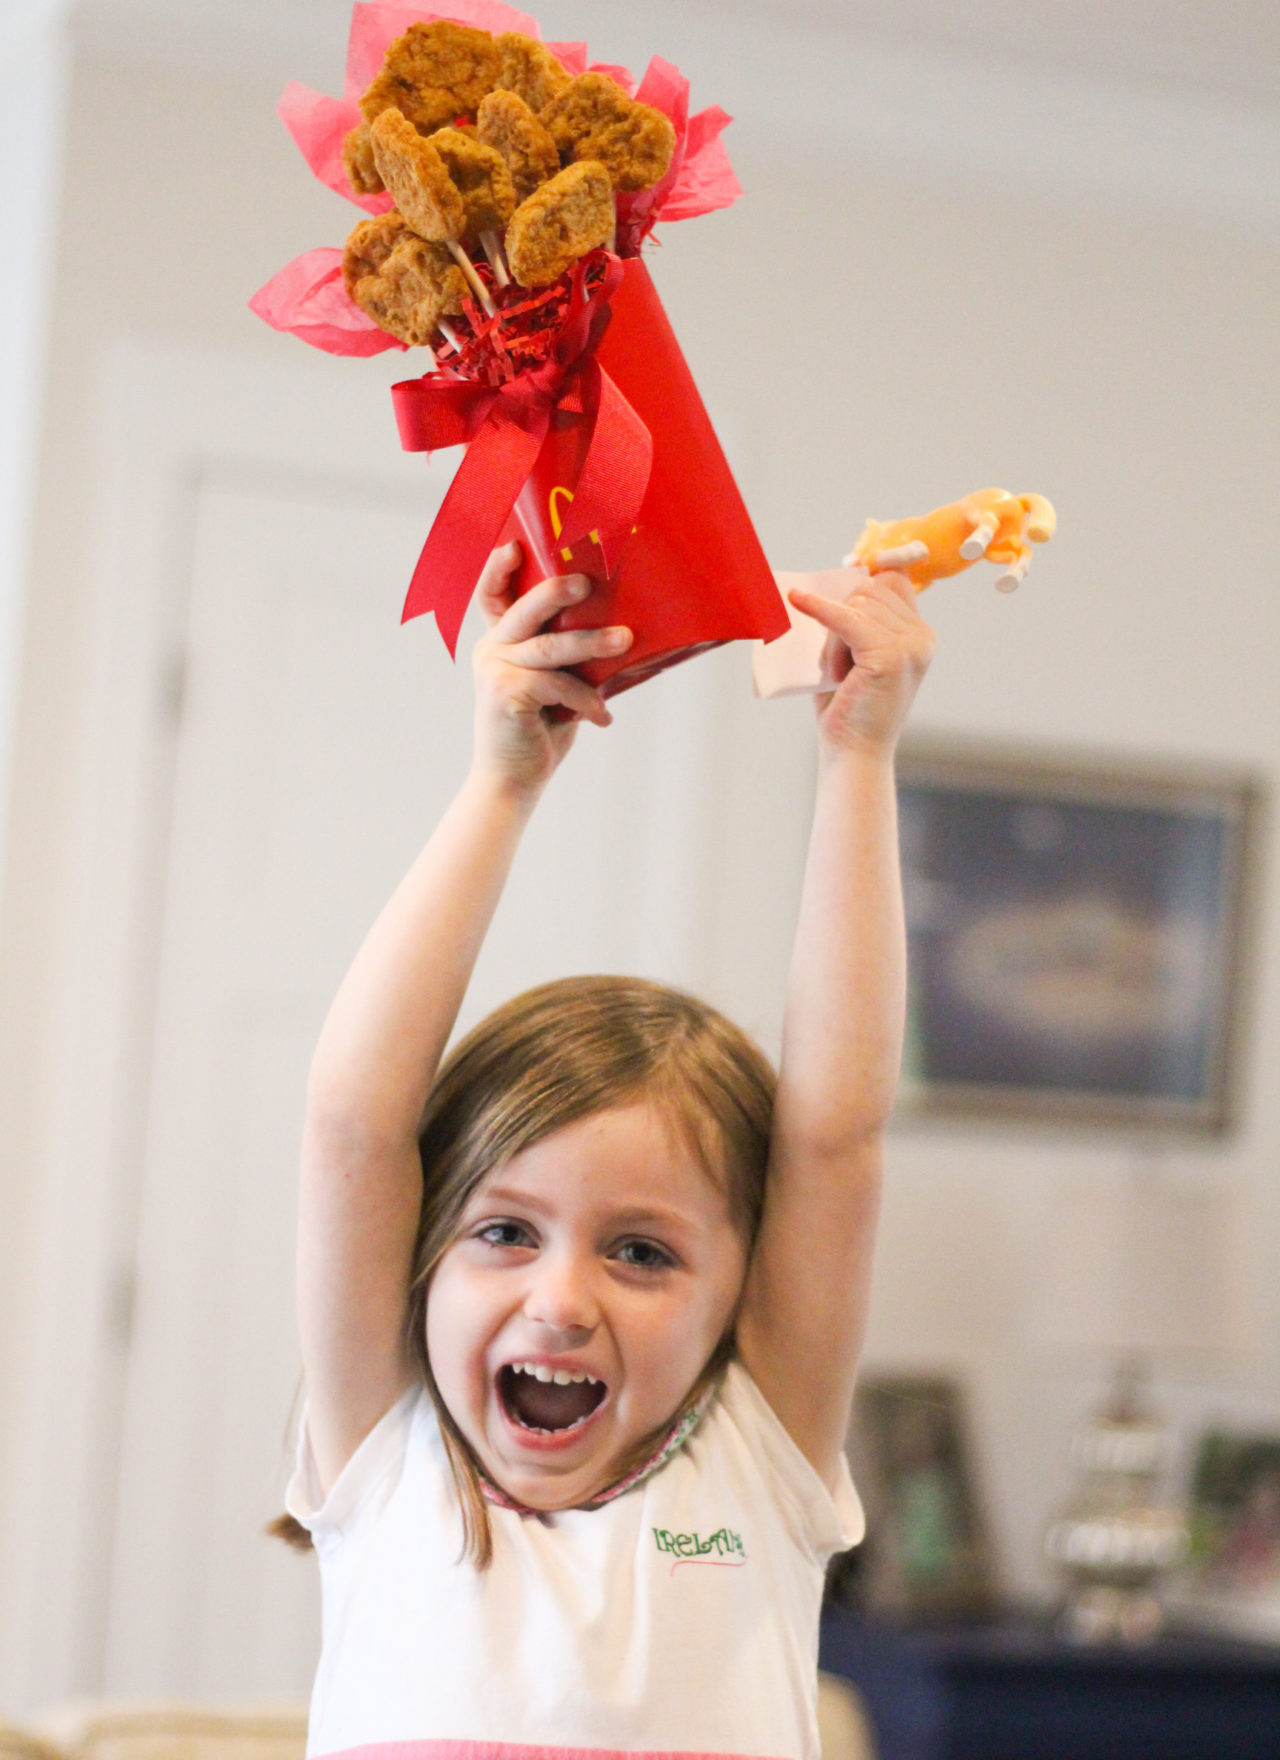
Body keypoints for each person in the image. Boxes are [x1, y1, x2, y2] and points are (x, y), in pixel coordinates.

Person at [285, 541, 935, 1760]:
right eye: (502, 1231)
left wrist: (858, 757)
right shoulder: (390, 1460)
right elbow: (352, 1126)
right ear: (424, 1253)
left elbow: (835, 1135)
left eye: (639, 1250)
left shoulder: (757, 1455)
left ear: (742, 1282)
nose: (559, 1298)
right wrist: (499, 786)